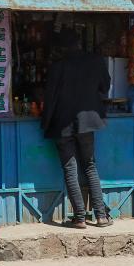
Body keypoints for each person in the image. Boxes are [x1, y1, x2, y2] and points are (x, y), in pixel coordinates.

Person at [40, 29, 112, 229]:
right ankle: (101, 217)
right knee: (90, 165)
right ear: (79, 44)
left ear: (62, 48)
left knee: (70, 169)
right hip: (87, 122)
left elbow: (50, 99)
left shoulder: (58, 67)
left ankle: (79, 217)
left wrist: (45, 123)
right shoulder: (96, 61)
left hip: (62, 124)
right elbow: (105, 87)